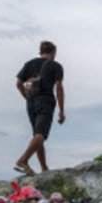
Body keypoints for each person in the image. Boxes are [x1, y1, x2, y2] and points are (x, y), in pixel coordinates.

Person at [14, 41, 65, 175]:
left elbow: (19, 84)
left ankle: (44, 168)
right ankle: (22, 160)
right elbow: (59, 87)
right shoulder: (55, 66)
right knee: (41, 135)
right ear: (53, 53)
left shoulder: (29, 64)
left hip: (31, 102)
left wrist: (27, 97)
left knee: (37, 135)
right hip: (46, 100)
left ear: (41, 52)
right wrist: (62, 110)